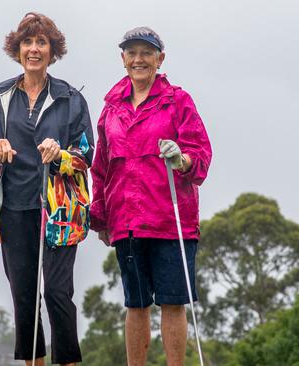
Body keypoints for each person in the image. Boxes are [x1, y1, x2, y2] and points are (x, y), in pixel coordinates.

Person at [0, 12, 93, 366]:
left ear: (53, 51)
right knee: (23, 294)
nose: (33, 49)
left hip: (61, 213)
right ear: (17, 49)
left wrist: (61, 154)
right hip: (13, 207)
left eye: (41, 43)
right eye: (27, 43)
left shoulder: (70, 99)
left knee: (57, 293)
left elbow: (87, 155)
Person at [90, 27, 212, 366]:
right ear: (123, 59)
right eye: (132, 52)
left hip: (171, 220)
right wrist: (99, 217)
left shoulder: (178, 101)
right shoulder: (111, 108)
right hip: (126, 219)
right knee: (136, 303)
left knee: (173, 303)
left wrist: (182, 159)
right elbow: (100, 167)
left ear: (160, 58)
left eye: (147, 52)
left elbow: (200, 152)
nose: (139, 59)